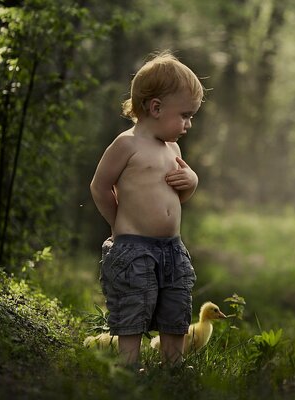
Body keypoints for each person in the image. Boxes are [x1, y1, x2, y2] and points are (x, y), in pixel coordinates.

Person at [90, 51, 205, 368]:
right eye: (184, 115)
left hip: (172, 247)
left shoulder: (173, 148)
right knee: (133, 302)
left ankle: (174, 363)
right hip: (133, 247)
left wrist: (191, 181)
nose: (188, 124)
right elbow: (100, 186)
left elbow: (175, 197)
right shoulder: (126, 144)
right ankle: (129, 364)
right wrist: (118, 224)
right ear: (155, 108)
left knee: (176, 301)